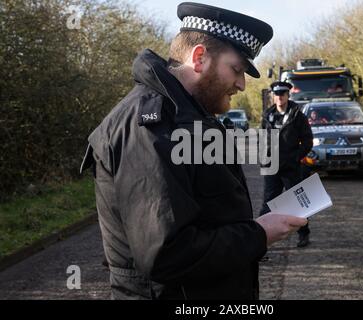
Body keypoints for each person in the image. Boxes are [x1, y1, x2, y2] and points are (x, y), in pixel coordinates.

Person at [79, 2, 307, 300]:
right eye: (237, 70)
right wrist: (259, 233)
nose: (241, 84)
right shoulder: (148, 127)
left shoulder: (190, 118)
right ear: (199, 57)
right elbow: (166, 254)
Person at [259, 81, 314, 248]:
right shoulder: (267, 115)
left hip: (291, 167)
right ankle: (259, 236)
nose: (279, 97)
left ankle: (303, 234)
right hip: (272, 165)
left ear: (288, 95)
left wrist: (296, 157)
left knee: (298, 202)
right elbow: (262, 138)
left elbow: (307, 141)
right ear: (273, 96)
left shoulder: (297, 115)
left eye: (282, 94)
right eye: (276, 94)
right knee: (268, 201)